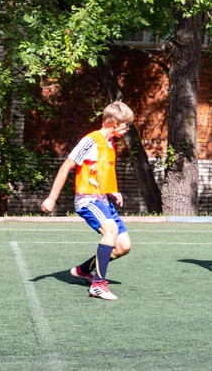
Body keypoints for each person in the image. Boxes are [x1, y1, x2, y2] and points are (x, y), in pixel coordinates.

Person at [41, 101, 135, 301]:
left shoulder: (110, 145)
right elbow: (66, 167)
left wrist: (112, 191)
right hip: (87, 199)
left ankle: (83, 270)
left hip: (102, 200)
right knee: (110, 231)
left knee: (124, 246)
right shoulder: (90, 141)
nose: (127, 129)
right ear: (112, 123)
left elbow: (101, 173)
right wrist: (52, 198)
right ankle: (98, 285)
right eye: (125, 125)